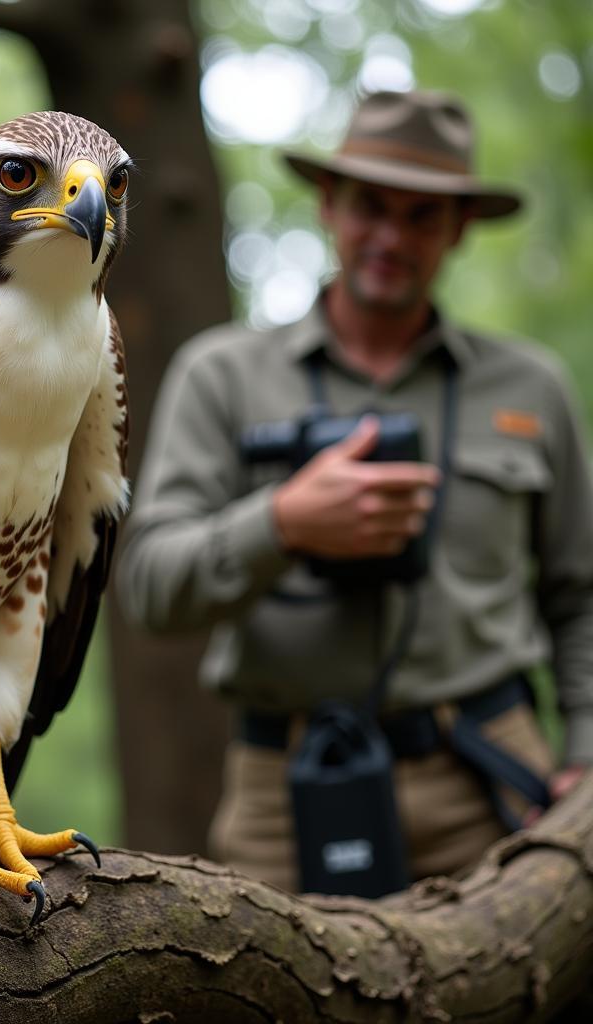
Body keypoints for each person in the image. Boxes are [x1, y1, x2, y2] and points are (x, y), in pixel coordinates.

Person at [116, 90, 593, 892]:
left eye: (423, 216)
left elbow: (582, 594)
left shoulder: (529, 386)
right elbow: (151, 589)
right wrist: (284, 523)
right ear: (329, 204)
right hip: (284, 786)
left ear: (460, 229)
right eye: (371, 206)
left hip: (493, 769)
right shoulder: (225, 375)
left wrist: (585, 755)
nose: (391, 237)